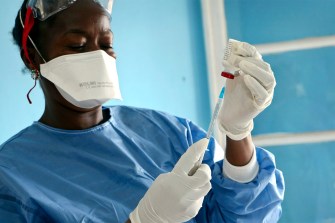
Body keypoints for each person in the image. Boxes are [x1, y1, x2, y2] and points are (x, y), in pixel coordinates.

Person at [0, 0, 284, 222]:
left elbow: (247, 217)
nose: (97, 56)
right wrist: (143, 220)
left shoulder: (171, 133)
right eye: (77, 45)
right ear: (34, 58)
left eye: (107, 44)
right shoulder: (11, 175)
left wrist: (238, 132)